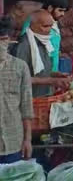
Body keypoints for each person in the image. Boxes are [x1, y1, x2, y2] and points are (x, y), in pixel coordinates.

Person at [13, 10, 70, 97]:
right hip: (30, 98)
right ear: (32, 25)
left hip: (44, 95)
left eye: (51, 26)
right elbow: (20, 78)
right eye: (45, 26)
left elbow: (41, 71)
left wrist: (56, 75)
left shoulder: (45, 43)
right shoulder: (24, 45)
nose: (49, 30)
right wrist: (51, 81)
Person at [0, 16, 33, 164]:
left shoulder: (20, 67)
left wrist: (27, 140)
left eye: (3, 39)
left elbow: (26, 107)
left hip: (14, 141)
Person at [20, 0, 68, 71]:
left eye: (64, 11)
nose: (63, 14)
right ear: (50, 8)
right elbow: (26, 44)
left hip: (51, 72)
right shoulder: (35, 20)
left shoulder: (54, 23)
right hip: (38, 71)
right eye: (60, 10)